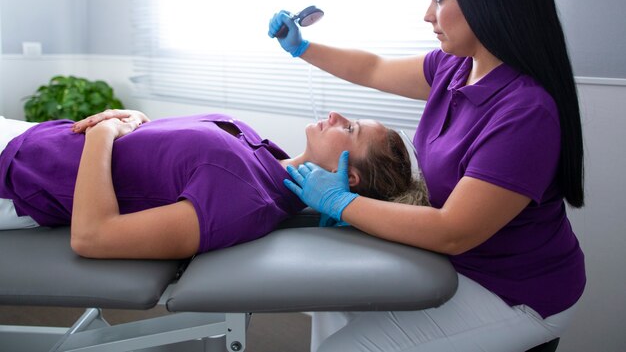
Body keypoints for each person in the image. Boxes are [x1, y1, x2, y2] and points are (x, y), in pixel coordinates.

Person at [268, 0, 586, 352]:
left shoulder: (525, 112)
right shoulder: (455, 67)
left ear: (487, 0)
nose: (427, 14)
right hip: (451, 261)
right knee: (331, 299)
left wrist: (344, 203)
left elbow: (454, 230)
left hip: (515, 292)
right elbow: (373, 69)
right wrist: (303, 47)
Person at [0, 109, 426, 259]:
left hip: (17, 177)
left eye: (348, 128)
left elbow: (93, 237)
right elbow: (159, 160)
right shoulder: (266, 154)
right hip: (34, 136)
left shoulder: (247, 202)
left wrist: (103, 135)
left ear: (348, 177)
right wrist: (132, 119)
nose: (334, 116)